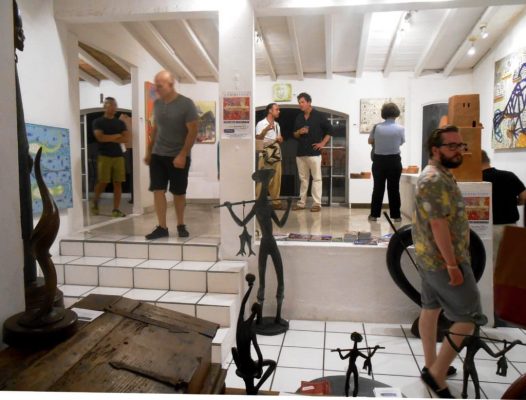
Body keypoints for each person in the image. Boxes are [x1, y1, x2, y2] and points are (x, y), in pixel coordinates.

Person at [413, 125, 483, 398]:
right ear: (435, 149)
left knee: (430, 309)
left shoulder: (440, 176)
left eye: (460, 145)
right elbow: (438, 224)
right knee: (470, 316)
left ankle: (431, 365)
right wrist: (453, 265)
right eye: (452, 146)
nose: (458, 150)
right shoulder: (434, 179)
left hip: (432, 257)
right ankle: (436, 374)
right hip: (442, 260)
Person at [144, 71, 198, 239]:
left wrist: (182, 154)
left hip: (178, 156)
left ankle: (181, 224)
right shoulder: (158, 104)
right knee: (158, 190)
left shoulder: (186, 104)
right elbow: (156, 129)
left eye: (160, 86)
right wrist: (149, 151)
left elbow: (193, 131)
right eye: (156, 85)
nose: (157, 89)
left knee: (178, 192)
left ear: (171, 84)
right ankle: (162, 227)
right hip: (158, 155)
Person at [481, 150, 526, 264]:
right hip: (510, 227)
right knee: (509, 266)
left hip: (485, 229)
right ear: (488, 160)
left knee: (489, 265)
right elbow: (524, 196)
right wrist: (516, 202)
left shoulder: (476, 180)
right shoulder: (509, 175)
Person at [292, 93, 332, 212]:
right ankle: (301, 203)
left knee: (317, 179)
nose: (300, 104)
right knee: (303, 179)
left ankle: (316, 204)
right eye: (299, 102)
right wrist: (299, 131)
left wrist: (322, 143)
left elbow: (330, 131)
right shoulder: (299, 117)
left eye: (302, 102)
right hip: (300, 153)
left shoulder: (319, 116)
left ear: (309, 102)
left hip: (314, 153)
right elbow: (294, 134)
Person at [91, 97, 130, 218]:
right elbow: (100, 138)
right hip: (104, 156)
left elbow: (126, 138)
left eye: (114, 105)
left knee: (118, 183)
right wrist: (116, 136)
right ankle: (95, 202)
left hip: (118, 156)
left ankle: (116, 209)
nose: (113, 107)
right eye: (110, 105)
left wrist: (109, 137)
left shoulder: (120, 123)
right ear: (105, 107)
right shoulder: (98, 122)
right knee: (103, 181)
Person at [368, 102, 405, 222]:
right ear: (396, 114)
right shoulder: (400, 128)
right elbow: (401, 142)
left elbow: (370, 141)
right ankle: (396, 216)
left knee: (378, 188)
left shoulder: (377, 127)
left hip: (379, 161)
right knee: (394, 189)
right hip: (394, 160)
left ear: (383, 113)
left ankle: (374, 215)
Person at [255, 103, 283, 209]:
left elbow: (279, 138)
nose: (279, 111)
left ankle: (276, 201)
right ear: (270, 111)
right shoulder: (261, 123)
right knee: (263, 177)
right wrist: (266, 129)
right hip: (265, 151)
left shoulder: (277, 125)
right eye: (277, 109)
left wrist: (280, 139)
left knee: (276, 177)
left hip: (275, 151)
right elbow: (258, 138)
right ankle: (259, 200)